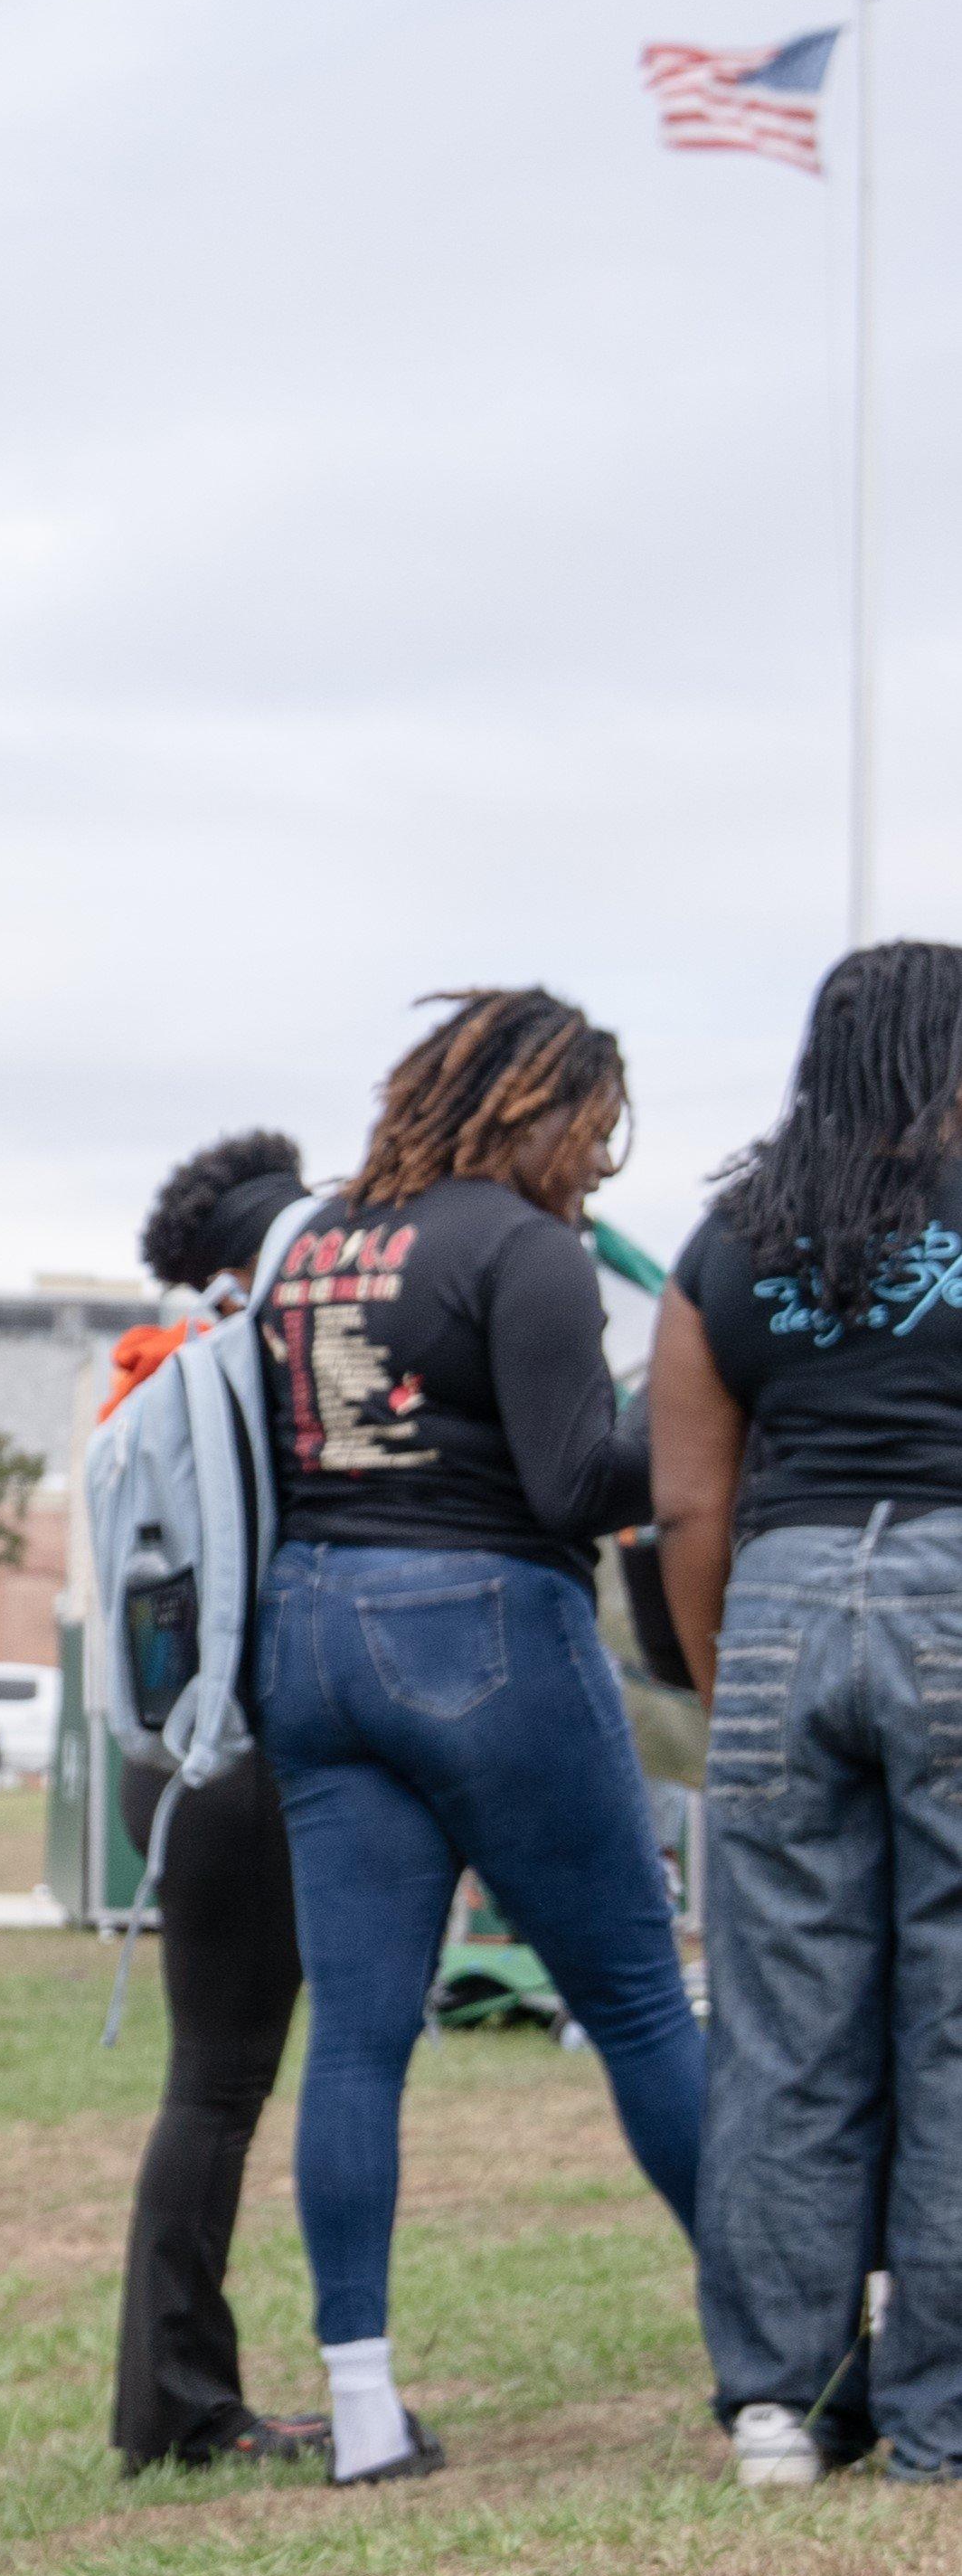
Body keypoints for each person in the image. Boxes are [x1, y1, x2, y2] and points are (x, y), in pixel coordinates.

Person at [252, 989, 700, 2491]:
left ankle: (360, 2406)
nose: (597, 1164)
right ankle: (786, 2344)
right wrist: (701, 1418)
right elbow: (579, 1480)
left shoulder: (311, 1240)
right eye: (591, 1128)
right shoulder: (524, 1250)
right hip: (478, 1621)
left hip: (307, 1629)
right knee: (636, 1997)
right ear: (530, 1105)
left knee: (360, 2031)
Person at [652, 937, 962, 2489]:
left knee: (780, 2021)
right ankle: (940, 2413)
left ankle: (777, 2401)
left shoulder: (728, 1237)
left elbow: (685, 1507)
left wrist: (729, 1691)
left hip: (775, 1603)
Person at [103, 1130, 323, 2476]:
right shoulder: (247, 1382)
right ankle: (179, 2406)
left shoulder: (160, 1378)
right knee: (217, 2089)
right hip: (230, 1767)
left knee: (211, 2088)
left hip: (170, 1765)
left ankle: (172, 2400)